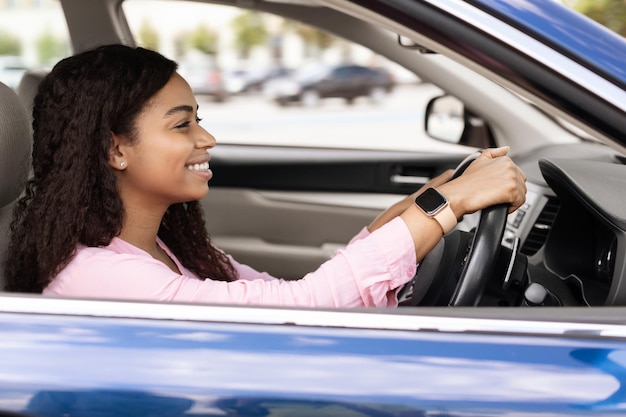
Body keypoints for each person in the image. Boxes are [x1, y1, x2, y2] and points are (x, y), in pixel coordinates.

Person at [3, 44, 526, 307]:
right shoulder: (100, 276)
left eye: (199, 120)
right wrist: (448, 206)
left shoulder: (167, 251)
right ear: (115, 148)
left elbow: (294, 289)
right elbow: (300, 307)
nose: (206, 140)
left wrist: (433, 196)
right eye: (183, 124)